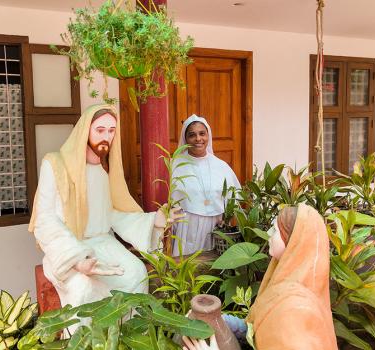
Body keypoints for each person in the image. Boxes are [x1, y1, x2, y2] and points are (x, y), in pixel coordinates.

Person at [28, 104, 182, 320]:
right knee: (84, 287)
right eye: (100, 130)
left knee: (137, 274)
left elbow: (111, 214)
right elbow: (45, 219)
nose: (106, 136)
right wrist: (77, 259)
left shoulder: (102, 171)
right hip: (70, 248)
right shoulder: (54, 164)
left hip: (103, 243)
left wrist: (153, 220)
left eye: (111, 131)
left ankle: (127, 337)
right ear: (85, 130)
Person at [247, 204, 338, 350]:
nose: (269, 233)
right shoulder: (286, 280)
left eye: (275, 230)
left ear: (293, 241)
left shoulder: (294, 309)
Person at [171, 115, 241, 256]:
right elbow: (169, 201)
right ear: (185, 139)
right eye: (192, 135)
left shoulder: (221, 166)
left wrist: (226, 220)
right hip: (186, 227)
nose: (198, 139)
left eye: (202, 133)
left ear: (208, 135)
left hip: (214, 227)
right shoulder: (176, 166)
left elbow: (234, 198)